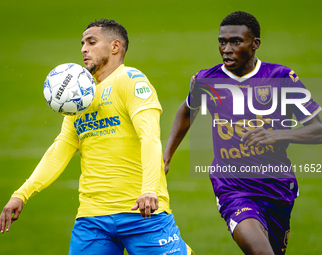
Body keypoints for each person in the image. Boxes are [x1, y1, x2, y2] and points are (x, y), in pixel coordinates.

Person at [0, 18, 194, 255]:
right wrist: (22, 194)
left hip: (142, 211)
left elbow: (150, 136)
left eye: (91, 42)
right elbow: (59, 149)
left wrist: (150, 189)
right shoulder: (79, 98)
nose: (83, 49)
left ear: (115, 47)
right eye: (82, 43)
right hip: (92, 219)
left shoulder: (131, 81)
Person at [163, 11, 322, 255]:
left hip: (277, 187)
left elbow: (318, 131)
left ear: (255, 44)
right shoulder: (207, 80)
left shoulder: (281, 78)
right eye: (222, 41)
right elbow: (187, 111)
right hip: (233, 188)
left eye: (236, 41)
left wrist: (277, 135)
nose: (226, 48)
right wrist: (166, 157)